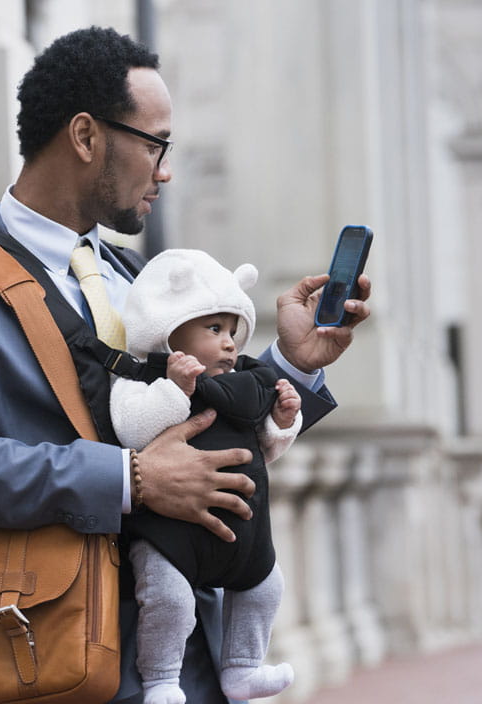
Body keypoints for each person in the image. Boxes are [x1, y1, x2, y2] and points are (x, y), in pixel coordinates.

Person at [0, 26, 371, 704]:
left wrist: (293, 362)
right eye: (154, 143)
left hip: (190, 664)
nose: (165, 171)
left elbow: (207, 421)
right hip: (44, 658)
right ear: (86, 137)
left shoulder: (137, 279)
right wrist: (131, 479)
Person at [111, 249, 302, 703]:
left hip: (243, 534)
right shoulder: (142, 378)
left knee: (267, 587)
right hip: (169, 536)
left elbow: (263, 449)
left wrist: (281, 419)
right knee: (168, 600)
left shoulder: (244, 385)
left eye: (233, 331)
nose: (230, 343)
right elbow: (130, 429)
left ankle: (243, 667)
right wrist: (175, 391)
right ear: (168, 330)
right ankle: (159, 680)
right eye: (214, 329)